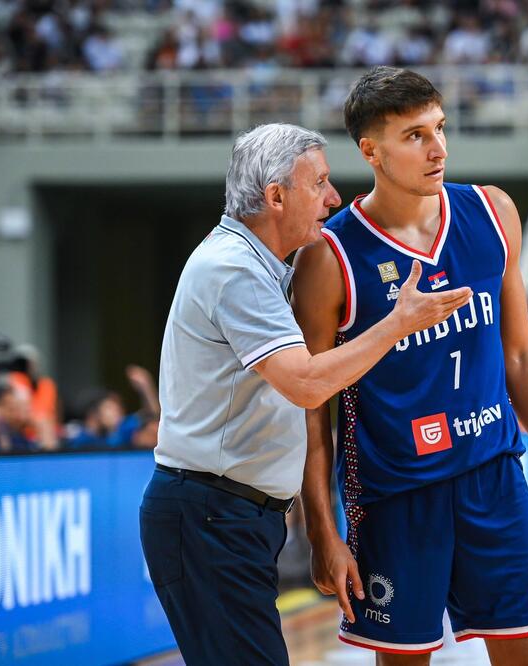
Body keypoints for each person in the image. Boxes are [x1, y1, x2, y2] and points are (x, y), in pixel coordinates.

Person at [140, 122, 471, 666]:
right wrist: (398, 323)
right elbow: (308, 382)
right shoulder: (235, 271)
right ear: (275, 197)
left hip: (229, 514)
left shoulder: (258, 264)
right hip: (210, 514)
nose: (335, 197)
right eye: (319, 183)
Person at [292, 67, 528, 664]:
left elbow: (521, 354)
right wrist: (322, 527)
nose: (438, 148)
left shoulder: (492, 212)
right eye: (415, 135)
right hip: (394, 495)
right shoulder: (329, 257)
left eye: (440, 128)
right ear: (371, 150)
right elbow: (311, 407)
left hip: (494, 479)